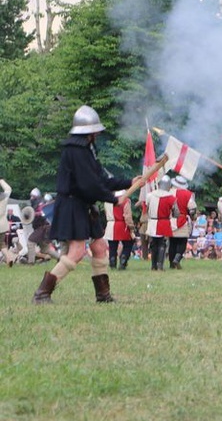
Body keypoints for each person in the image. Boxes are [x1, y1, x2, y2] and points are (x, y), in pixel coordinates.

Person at [32, 105, 138, 304]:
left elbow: (101, 179)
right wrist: (114, 199)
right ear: (88, 132)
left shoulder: (88, 150)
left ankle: (103, 295)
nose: (98, 133)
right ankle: (42, 293)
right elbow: (88, 185)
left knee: (99, 247)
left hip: (84, 205)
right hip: (73, 205)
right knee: (77, 251)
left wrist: (129, 182)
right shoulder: (76, 151)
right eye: (95, 130)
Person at [146, 175, 178, 271]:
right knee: (162, 244)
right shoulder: (171, 198)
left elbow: (147, 209)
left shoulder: (150, 195)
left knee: (153, 244)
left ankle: (153, 266)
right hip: (164, 222)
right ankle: (159, 265)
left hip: (152, 221)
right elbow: (176, 212)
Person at [168, 175, 197, 270]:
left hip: (171, 219)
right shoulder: (188, 194)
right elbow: (192, 209)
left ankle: (171, 263)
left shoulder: (169, 192)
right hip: (182, 219)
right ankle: (177, 258)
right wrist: (193, 217)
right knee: (182, 242)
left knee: (172, 242)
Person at [103, 190, 136, 270]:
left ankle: (112, 262)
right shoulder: (125, 201)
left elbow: (106, 213)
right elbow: (127, 216)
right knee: (128, 244)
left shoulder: (107, 201)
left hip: (111, 224)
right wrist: (131, 228)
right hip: (122, 225)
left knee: (112, 246)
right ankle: (123, 260)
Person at [0, 179, 15, 267]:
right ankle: (9, 258)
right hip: (2, 225)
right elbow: (8, 189)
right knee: (2, 244)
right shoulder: (4, 198)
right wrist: (1, 181)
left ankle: (9, 258)